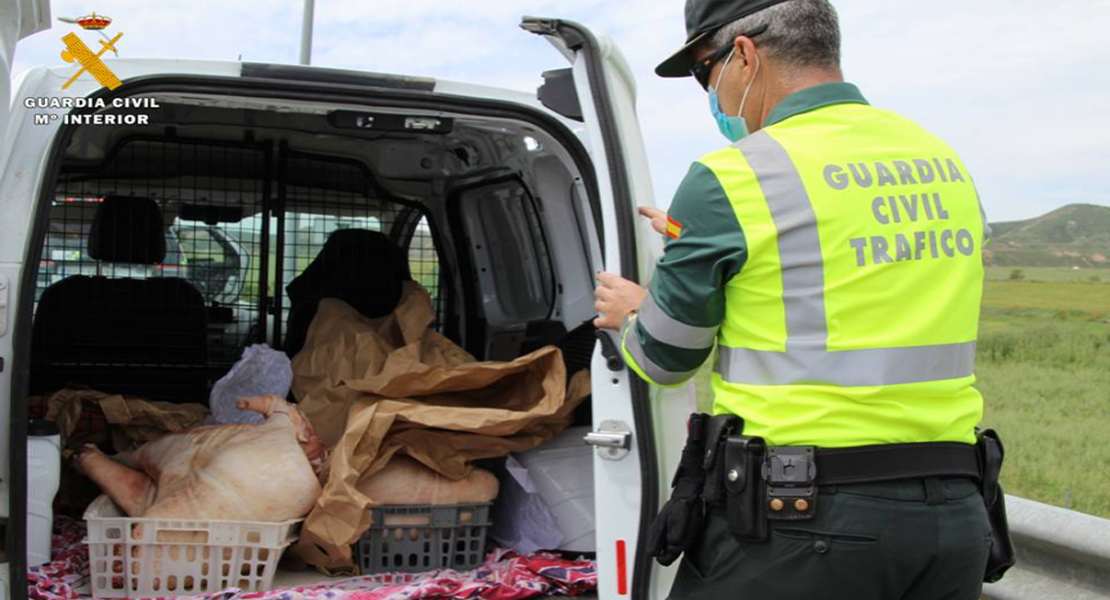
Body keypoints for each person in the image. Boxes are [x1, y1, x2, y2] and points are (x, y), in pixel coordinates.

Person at [592, 1, 1002, 598]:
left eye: (706, 72)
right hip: (954, 518)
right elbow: (855, 268)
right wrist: (713, 244)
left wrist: (633, 310)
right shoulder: (944, 162)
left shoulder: (733, 177)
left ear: (744, 55)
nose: (712, 94)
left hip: (802, 526)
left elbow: (663, 357)